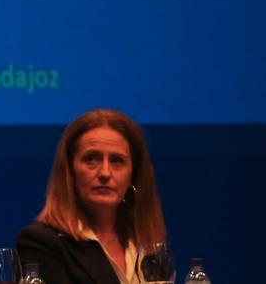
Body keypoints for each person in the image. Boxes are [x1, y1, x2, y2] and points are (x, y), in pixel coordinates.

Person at [17, 108, 168, 284]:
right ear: (70, 172)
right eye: (91, 159)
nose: (105, 172)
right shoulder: (41, 243)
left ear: (132, 176)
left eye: (117, 160)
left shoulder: (146, 239)